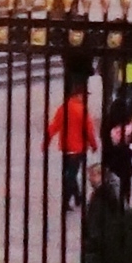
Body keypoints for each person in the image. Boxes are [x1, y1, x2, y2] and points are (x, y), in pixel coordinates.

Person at [47, 83, 96, 212]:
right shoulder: (82, 110)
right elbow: (89, 130)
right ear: (79, 95)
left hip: (65, 147)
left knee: (70, 174)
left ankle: (78, 197)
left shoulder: (63, 108)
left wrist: (46, 141)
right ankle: (66, 201)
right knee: (71, 175)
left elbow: (54, 126)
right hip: (78, 147)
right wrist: (93, 144)